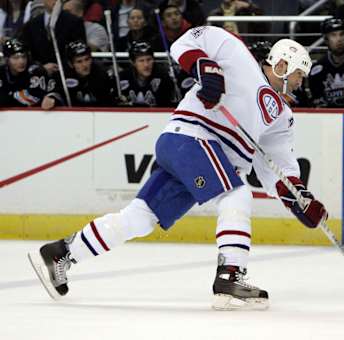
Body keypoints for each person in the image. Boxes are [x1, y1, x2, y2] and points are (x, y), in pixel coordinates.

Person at [27, 26, 328, 311]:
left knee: (139, 219)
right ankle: (230, 275)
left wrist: (299, 199)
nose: (301, 82)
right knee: (236, 194)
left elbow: (276, 169)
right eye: (299, 74)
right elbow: (185, 42)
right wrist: (205, 69)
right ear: (281, 65)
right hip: (189, 139)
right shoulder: (237, 55)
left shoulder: (282, 117)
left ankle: (61, 253)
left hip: (196, 156)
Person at [18, 0, 86, 75]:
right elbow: (27, 52)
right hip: (40, 77)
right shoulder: (32, 24)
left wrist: (60, 67)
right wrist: (41, 68)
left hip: (67, 75)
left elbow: (80, 50)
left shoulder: (74, 22)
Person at [0, 38, 62, 108]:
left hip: (38, 114)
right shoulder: (1, 71)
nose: (21, 61)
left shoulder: (36, 70)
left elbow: (33, 96)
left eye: (24, 57)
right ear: (6, 59)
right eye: (15, 58)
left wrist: (6, 98)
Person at [117, 40, 175, 107]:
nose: (146, 65)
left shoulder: (163, 77)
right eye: (141, 61)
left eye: (149, 59)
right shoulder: (122, 77)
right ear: (133, 62)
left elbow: (168, 105)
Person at [64, 40, 114, 106]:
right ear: (70, 64)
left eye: (87, 59)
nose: (85, 65)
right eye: (79, 61)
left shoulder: (103, 74)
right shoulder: (63, 76)